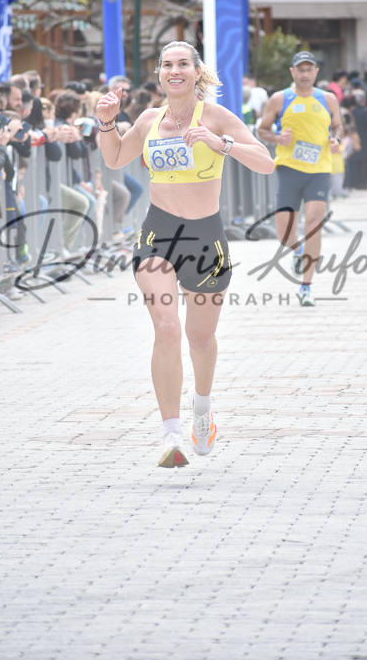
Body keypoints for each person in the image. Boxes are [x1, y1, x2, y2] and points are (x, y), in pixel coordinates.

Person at [96, 41, 274, 468]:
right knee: (167, 328)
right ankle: (171, 434)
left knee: (200, 338)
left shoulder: (216, 116)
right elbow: (116, 158)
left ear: (197, 72)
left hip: (205, 238)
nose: (174, 71)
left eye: (182, 65)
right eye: (167, 65)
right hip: (158, 234)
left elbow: (265, 162)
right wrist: (107, 123)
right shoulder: (149, 119)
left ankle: (202, 410)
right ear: (159, 73)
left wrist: (220, 143)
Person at [258, 51, 342, 308]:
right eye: (300, 70)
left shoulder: (327, 98)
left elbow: (338, 125)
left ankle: (306, 287)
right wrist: (278, 138)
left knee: (314, 224)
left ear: (316, 72)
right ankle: (297, 250)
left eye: (309, 70)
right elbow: (262, 130)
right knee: (284, 232)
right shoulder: (280, 98)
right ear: (292, 72)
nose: (305, 74)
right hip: (289, 169)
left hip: (319, 170)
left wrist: (336, 139)